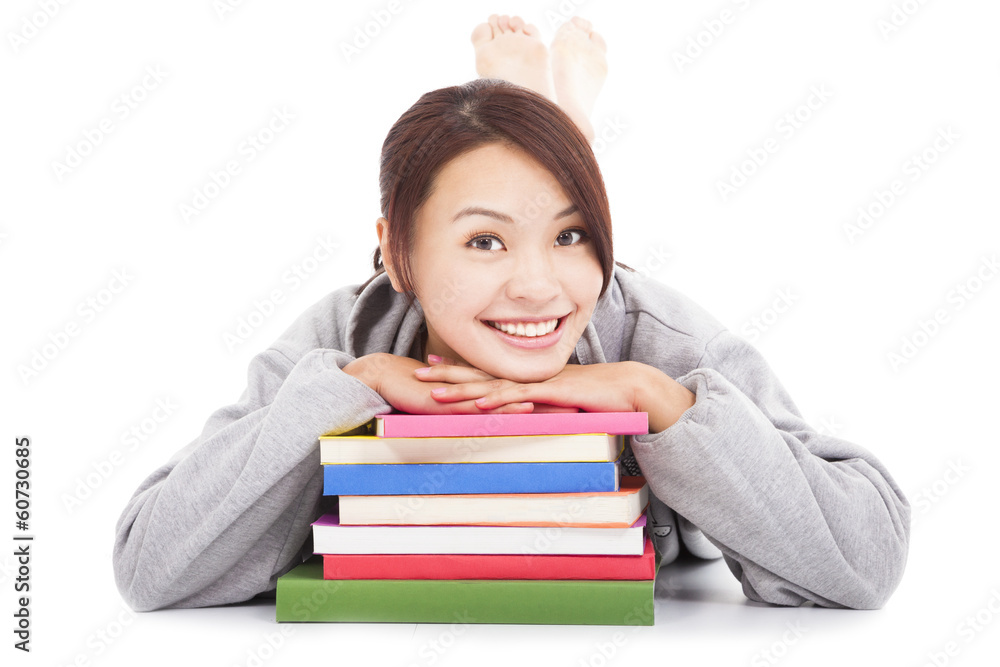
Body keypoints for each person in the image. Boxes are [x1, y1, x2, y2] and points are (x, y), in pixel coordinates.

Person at [113, 15, 909, 612]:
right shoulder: (343, 337)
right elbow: (150, 565)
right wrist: (356, 384)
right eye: (485, 241)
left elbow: (867, 556)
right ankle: (552, 119)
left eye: (573, 233)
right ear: (397, 255)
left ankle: (554, 119)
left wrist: (660, 400)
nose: (538, 287)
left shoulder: (657, 334)